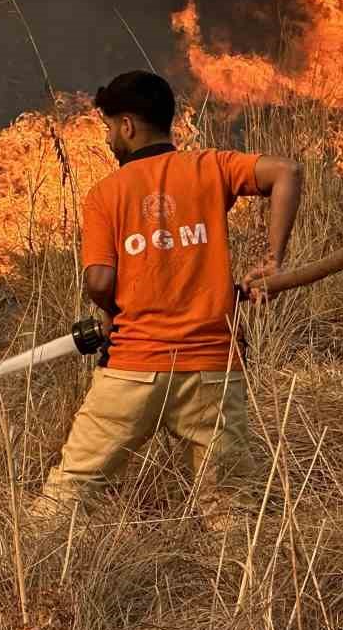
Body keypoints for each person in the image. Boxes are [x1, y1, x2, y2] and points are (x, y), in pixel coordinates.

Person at [32, 70, 303, 529]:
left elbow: (99, 279)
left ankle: (25, 567)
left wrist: (111, 313)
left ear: (127, 125)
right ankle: (240, 573)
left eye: (109, 127)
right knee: (231, 509)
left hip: (133, 370)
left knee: (69, 493)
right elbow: (287, 172)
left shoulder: (106, 194)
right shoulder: (210, 167)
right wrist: (273, 261)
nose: (108, 139)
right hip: (212, 370)